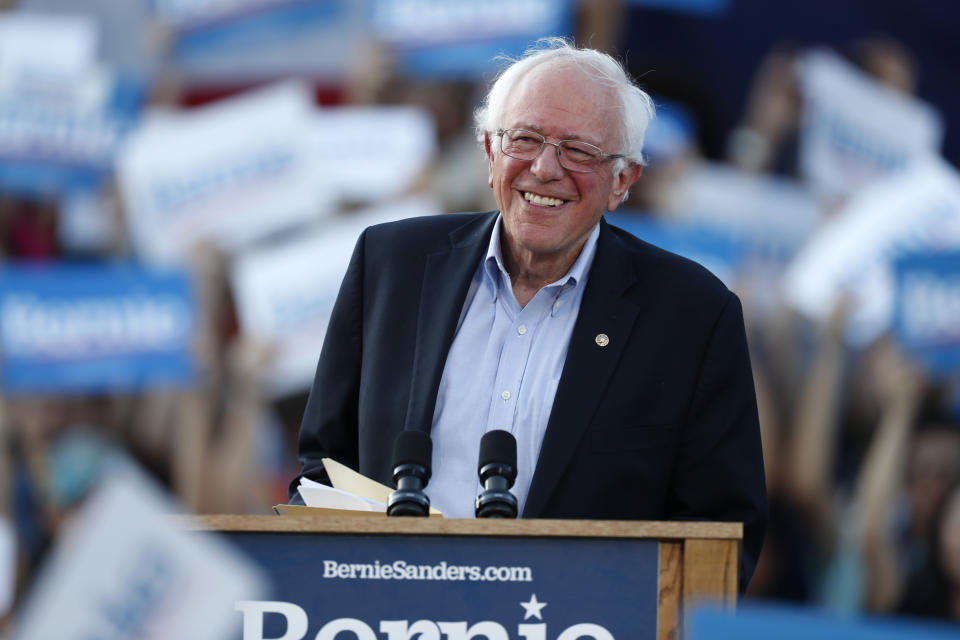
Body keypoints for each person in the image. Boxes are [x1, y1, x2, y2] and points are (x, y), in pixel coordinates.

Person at [291, 39, 767, 589]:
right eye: (525, 139)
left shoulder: (692, 316)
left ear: (623, 182)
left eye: (580, 151)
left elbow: (718, 533)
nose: (544, 169)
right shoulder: (391, 265)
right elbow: (322, 471)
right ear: (490, 154)